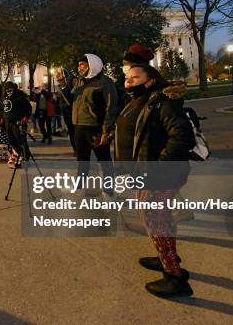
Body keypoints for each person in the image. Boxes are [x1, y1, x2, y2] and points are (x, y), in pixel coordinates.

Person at [115, 63, 195, 297]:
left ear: (150, 79)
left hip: (160, 175)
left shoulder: (163, 101)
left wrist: (157, 168)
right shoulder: (143, 100)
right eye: (127, 78)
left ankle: (175, 278)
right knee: (159, 218)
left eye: (135, 77)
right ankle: (165, 257)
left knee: (155, 219)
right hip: (146, 173)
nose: (129, 82)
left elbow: (181, 137)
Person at [72, 54, 118, 193]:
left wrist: (106, 130)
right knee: (82, 159)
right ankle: (80, 184)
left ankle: (108, 187)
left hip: (96, 127)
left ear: (92, 65)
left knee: (104, 159)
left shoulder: (105, 82)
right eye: (79, 65)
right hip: (79, 126)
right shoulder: (80, 82)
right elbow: (72, 102)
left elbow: (111, 107)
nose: (79, 68)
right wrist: (62, 86)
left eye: (83, 65)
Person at [3, 82, 32, 169]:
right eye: (7, 90)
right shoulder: (5, 98)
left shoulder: (20, 97)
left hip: (18, 123)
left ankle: (24, 157)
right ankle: (21, 154)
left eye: (10, 89)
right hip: (8, 124)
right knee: (12, 141)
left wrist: (25, 118)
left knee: (21, 141)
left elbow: (28, 107)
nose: (9, 91)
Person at [55, 69, 76, 150]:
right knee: (72, 133)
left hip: (75, 115)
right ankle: (76, 149)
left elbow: (69, 98)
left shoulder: (71, 87)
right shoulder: (63, 89)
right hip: (68, 116)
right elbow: (62, 103)